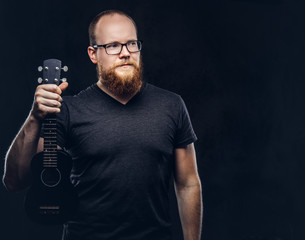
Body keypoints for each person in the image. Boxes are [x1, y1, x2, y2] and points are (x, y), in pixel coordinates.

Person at [3, 10, 202, 240]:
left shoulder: (171, 105)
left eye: (131, 44)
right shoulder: (67, 111)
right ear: (93, 54)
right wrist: (34, 117)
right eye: (113, 46)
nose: (125, 53)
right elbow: (15, 181)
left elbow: (188, 184)